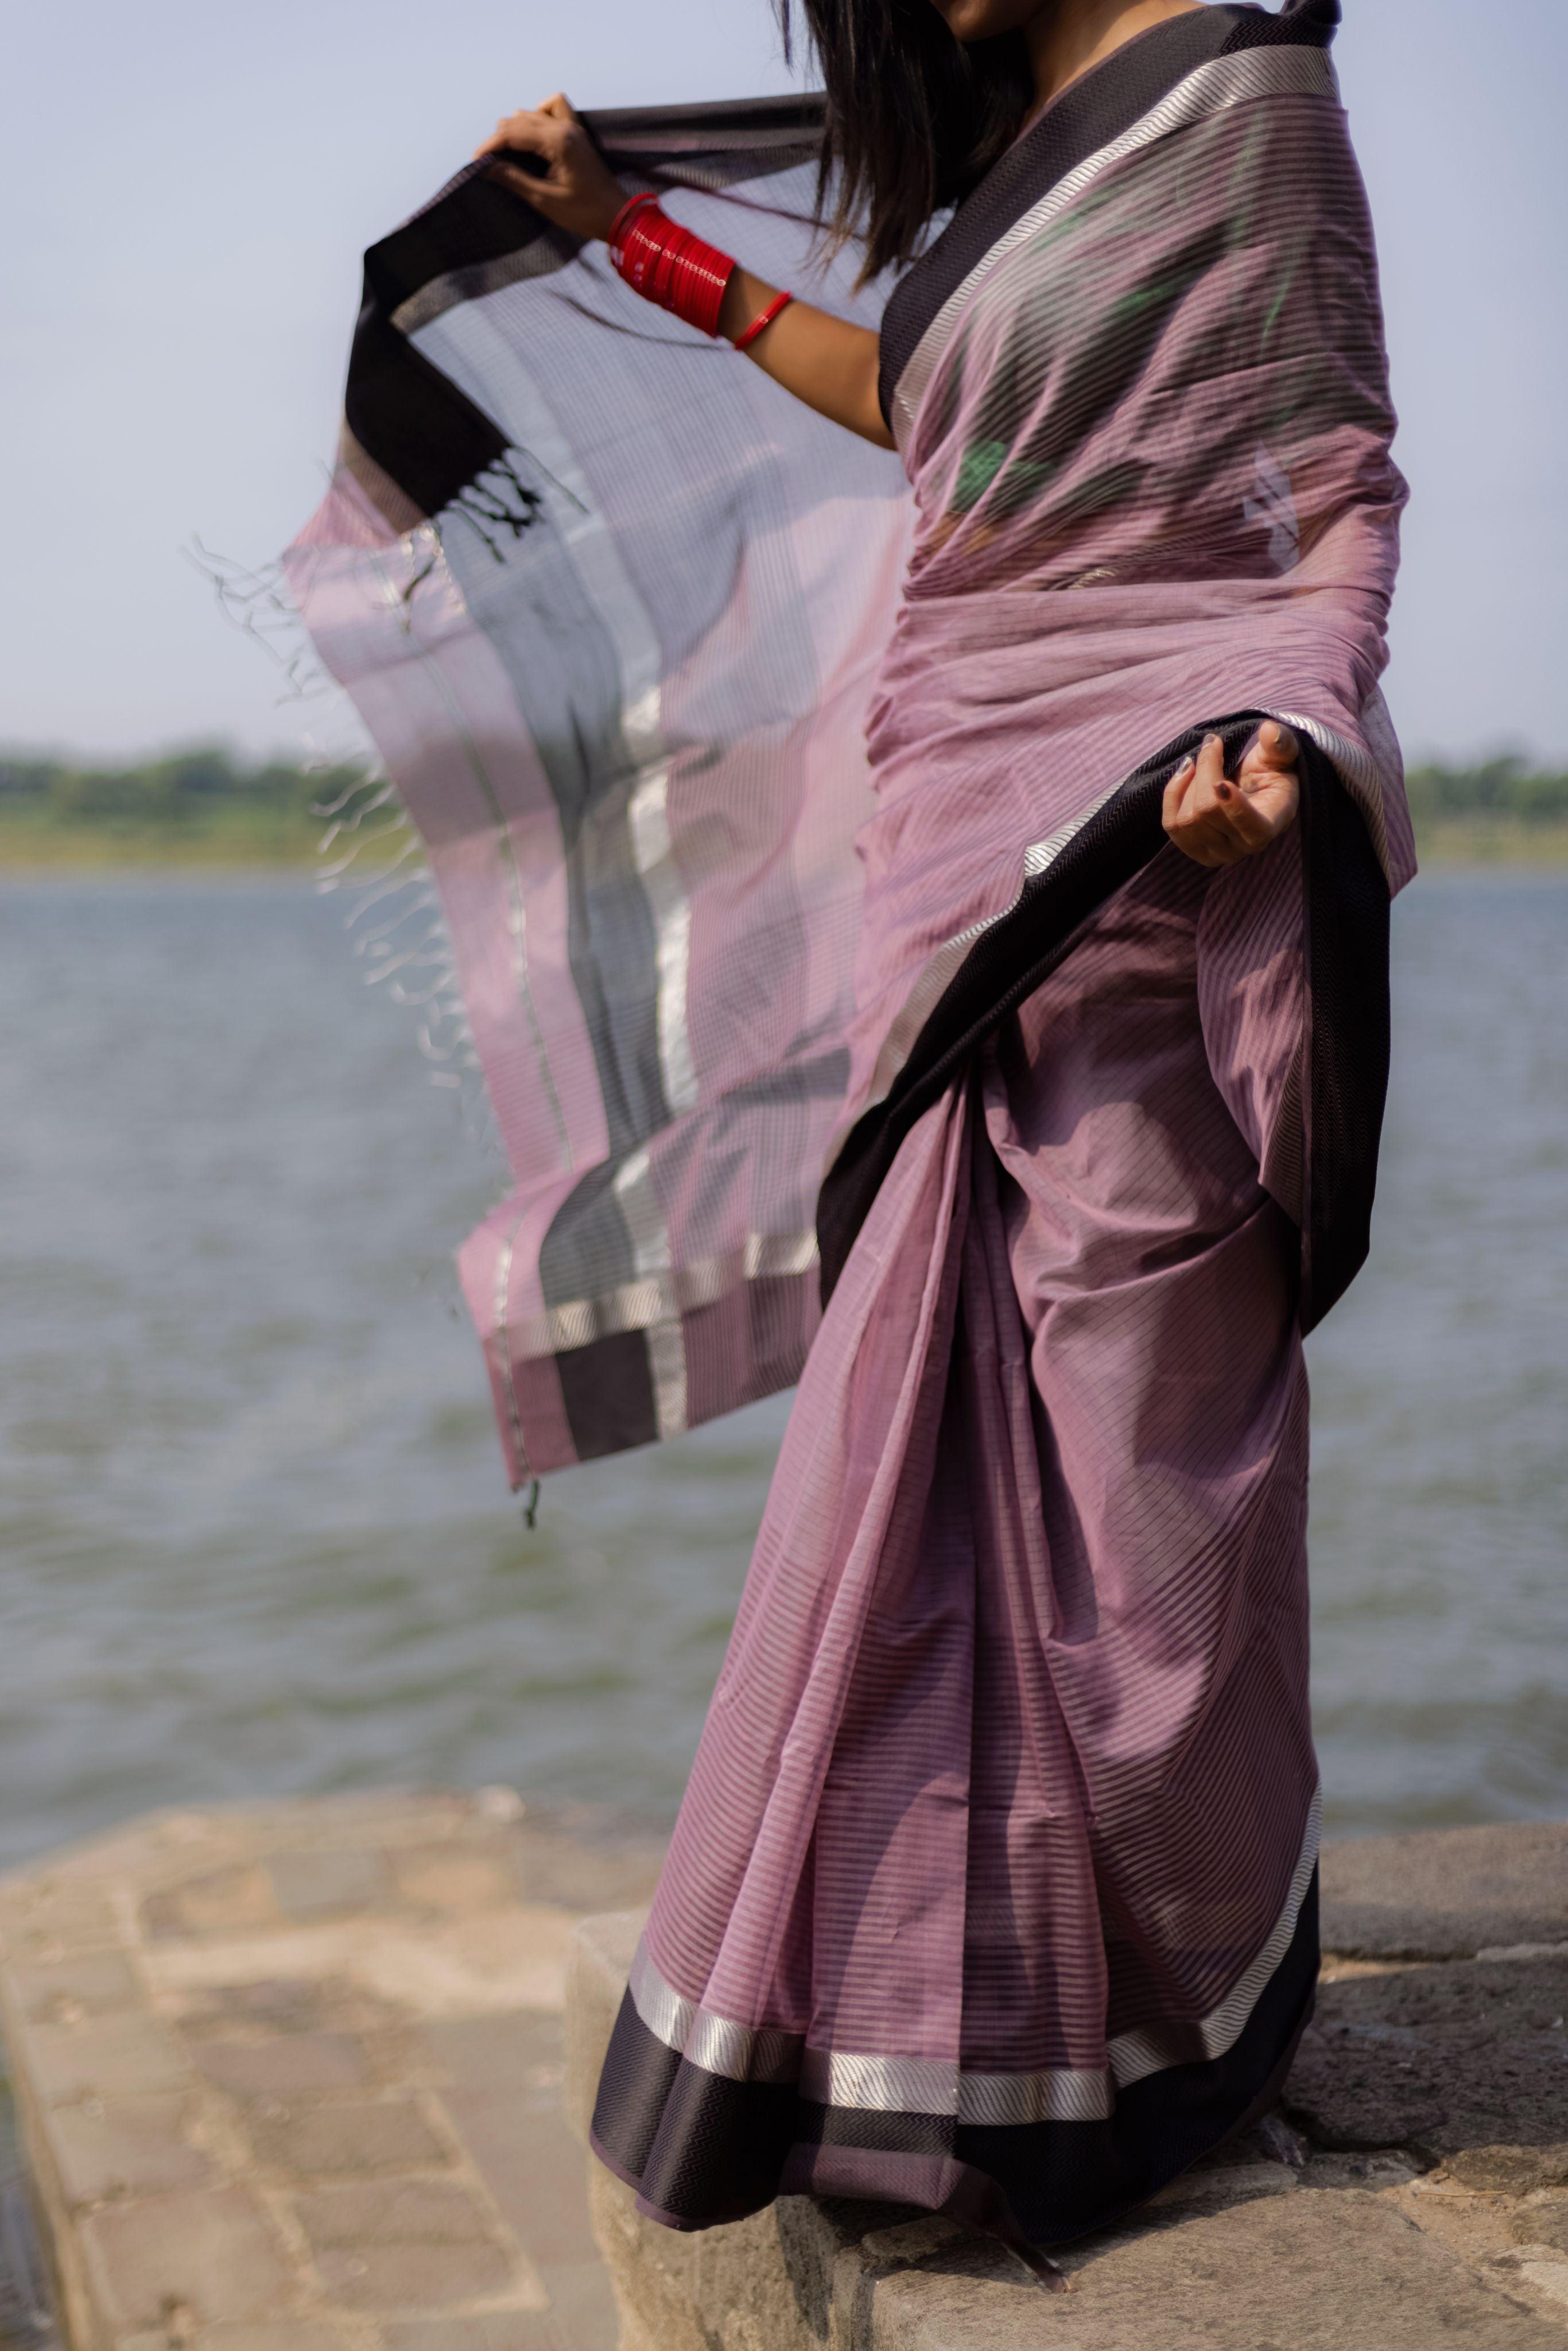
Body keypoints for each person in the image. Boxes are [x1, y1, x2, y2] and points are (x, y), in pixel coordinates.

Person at [309, 0, 1408, 2280]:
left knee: (1132, 1440)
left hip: (1145, 849)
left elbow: (1334, 469)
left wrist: (1281, 738)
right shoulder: (1018, 152)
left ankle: (1175, 1991)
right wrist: (634, 243)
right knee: (925, 1457)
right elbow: (930, 419)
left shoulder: (1239, 100)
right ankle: (947, 2036)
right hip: (952, 839)